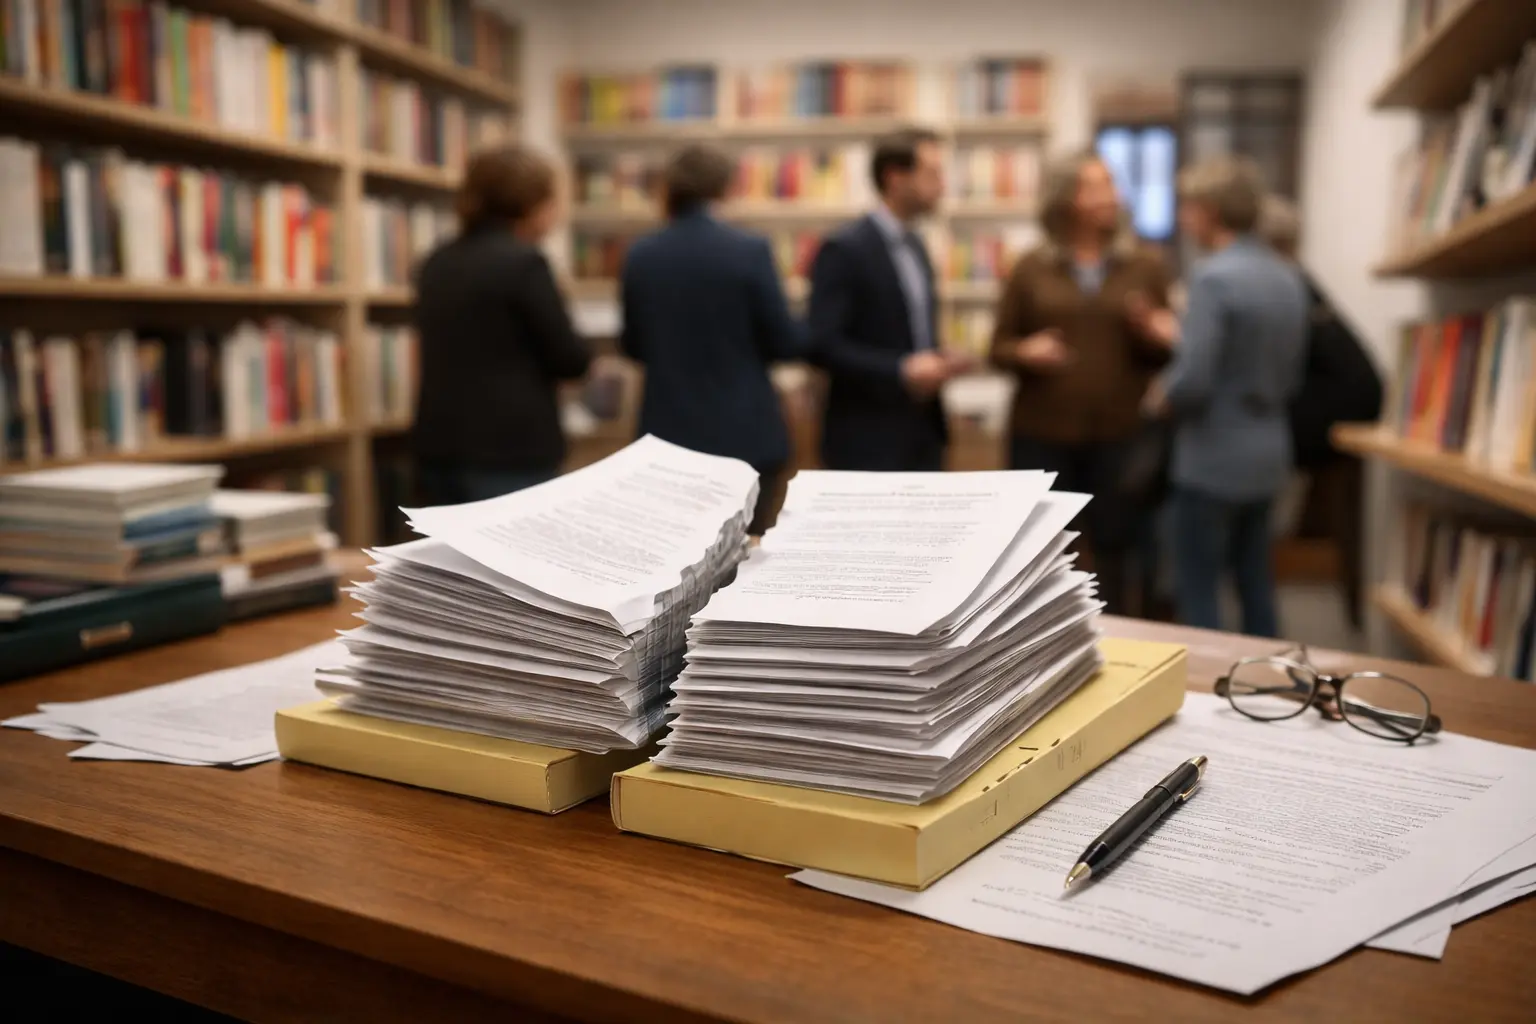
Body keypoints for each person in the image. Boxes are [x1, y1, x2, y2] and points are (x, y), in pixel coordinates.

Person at [989, 149, 1177, 615]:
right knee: (1042, 554)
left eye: (1112, 185)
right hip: (1043, 434)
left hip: (1120, 436)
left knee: (1119, 550)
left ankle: (1122, 645)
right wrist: (1025, 351)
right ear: (1066, 198)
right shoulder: (1030, 266)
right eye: (1096, 186)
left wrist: (1155, 332)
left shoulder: (1144, 266)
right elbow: (996, 348)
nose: (1111, 196)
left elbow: (1164, 352)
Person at [1145, 157, 1308, 637]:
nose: (1183, 218)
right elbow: (1291, 374)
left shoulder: (1213, 277)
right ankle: (1267, 689)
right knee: (1257, 582)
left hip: (1213, 457)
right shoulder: (1287, 276)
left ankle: (1207, 697)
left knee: (1198, 588)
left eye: (1188, 207)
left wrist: (1159, 396)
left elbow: (1193, 379)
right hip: (1268, 452)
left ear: (1209, 211)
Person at [620, 144, 805, 533]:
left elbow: (633, 345)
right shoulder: (750, 251)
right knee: (745, 564)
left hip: (668, 439)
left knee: (673, 569)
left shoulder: (640, 255)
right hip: (745, 435)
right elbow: (784, 343)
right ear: (726, 187)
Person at [412, 143, 591, 506]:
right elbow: (570, 359)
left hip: (439, 446)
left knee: (447, 562)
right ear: (530, 204)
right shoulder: (525, 264)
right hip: (511, 451)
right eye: (553, 201)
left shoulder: (436, 262)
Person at [808, 127, 974, 471]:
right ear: (895, 177)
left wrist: (938, 358)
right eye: (932, 174)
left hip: (923, 433)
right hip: (866, 439)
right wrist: (900, 369)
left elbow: (904, 332)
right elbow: (821, 346)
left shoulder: (917, 246)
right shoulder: (844, 249)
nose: (942, 185)